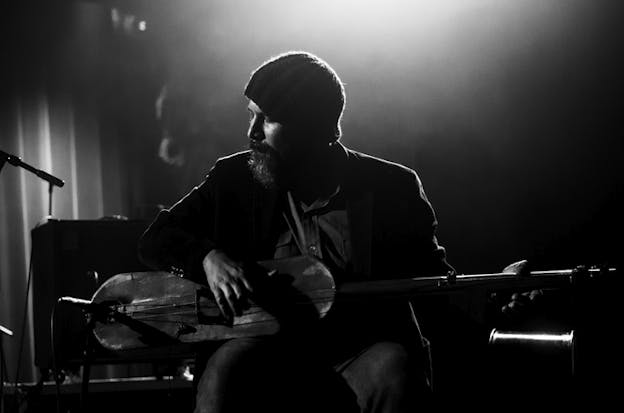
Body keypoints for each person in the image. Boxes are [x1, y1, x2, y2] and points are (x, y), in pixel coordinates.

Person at [138, 51, 454, 413]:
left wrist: (497, 297)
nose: (252, 133)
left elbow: (435, 282)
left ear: (313, 128)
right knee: (225, 370)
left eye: (268, 119)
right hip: (263, 345)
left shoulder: (391, 187)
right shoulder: (233, 179)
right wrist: (207, 258)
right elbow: (155, 239)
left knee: (394, 370)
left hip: (361, 345)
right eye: (251, 115)